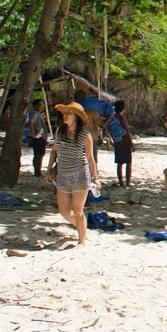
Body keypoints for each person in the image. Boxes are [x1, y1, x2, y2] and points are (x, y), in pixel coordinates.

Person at [44, 101, 98, 247]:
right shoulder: (60, 132)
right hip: (63, 174)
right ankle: (83, 229)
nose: (65, 116)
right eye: (65, 113)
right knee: (64, 211)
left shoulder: (85, 135)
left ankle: (81, 240)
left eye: (69, 113)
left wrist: (95, 178)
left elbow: (90, 158)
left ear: (77, 117)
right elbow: (54, 151)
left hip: (80, 176)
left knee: (78, 210)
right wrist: (49, 169)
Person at [75, 88, 115, 164]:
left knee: (80, 162)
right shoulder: (92, 112)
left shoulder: (74, 112)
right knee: (92, 160)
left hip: (77, 138)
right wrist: (110, 115)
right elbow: (103, 125)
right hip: (90, 138)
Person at [112, 100, 135, 188]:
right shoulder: (122, 117)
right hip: (124, 142)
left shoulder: (113, 117)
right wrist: (131, 144)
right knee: (128, 163)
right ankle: (128, 183)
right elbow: (126, 131)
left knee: (119, 163)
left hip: (117, 142)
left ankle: (121, 182)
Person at [28, 99, 48, 177]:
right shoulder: (34, 114)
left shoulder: (39, 114)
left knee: (40, 154)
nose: (42, 106)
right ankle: (37, 172)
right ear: (36, 105)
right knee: (38, 155)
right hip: (38, 137)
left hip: (41, 137)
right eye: (40, 104)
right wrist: (33, 134)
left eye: (43, 104)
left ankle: (38, 171)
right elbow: (31, 123)